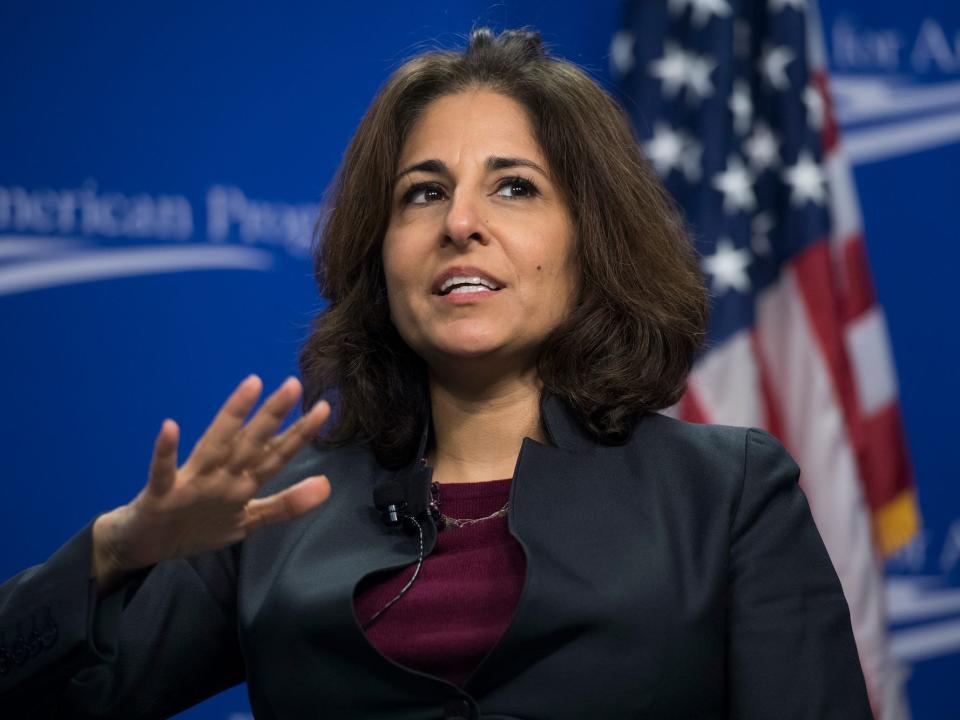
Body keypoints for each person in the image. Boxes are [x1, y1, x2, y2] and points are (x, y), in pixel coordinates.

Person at [0, 28, 873, 719]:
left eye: (514, 187)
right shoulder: (275, 514)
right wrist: (116, 550)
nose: (459, 222)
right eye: (422, 192)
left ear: (589, 244)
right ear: (380, 255)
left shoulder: (725, 495)